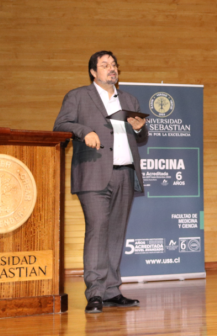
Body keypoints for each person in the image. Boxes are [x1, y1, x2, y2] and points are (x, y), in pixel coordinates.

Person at [54, 51, 148, 313]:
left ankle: (111, 291)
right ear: (93, 72)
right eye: (105, 65)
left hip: (124, 173)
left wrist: (139, 127)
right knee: (97, 229)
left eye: (114, 64)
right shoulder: (78, 96)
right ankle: (95, 292)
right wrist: (84, 131)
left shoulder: (129, 99)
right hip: (93, 173)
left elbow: (140, 137)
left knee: (116, 231)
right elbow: (61, 125)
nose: (111, 68)